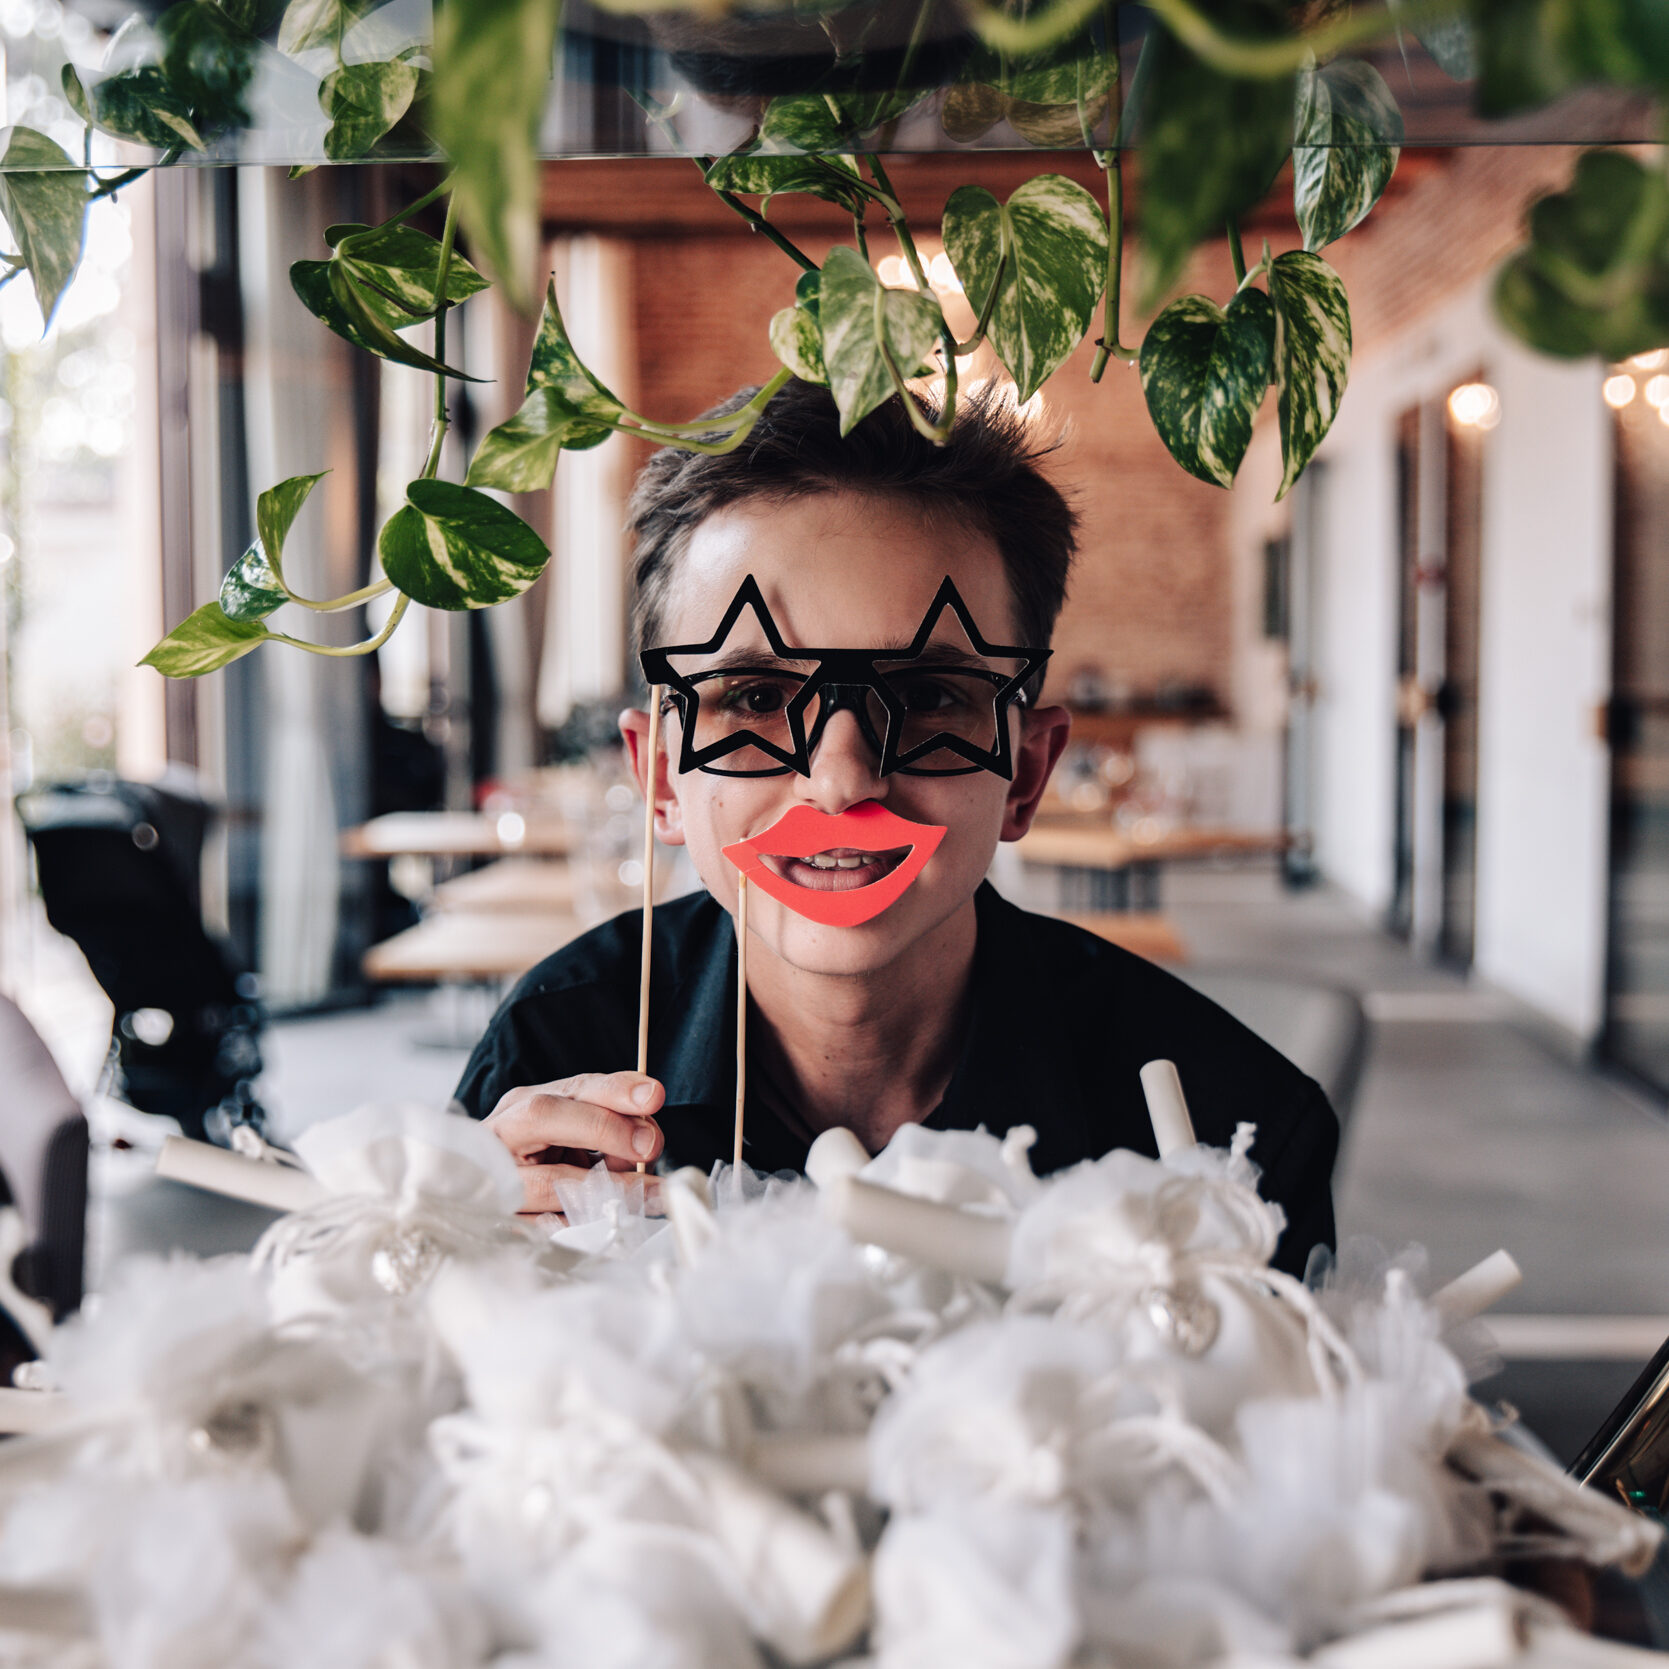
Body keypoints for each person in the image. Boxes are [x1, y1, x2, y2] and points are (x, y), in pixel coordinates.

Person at [454, 380, 1338, 1278]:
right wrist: (457, 1244)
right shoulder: (552, 1056)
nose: (840, 779)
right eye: (754, 697)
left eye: (929, 697)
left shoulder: (1231, 1137)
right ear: (659, 776)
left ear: (1026, 772)